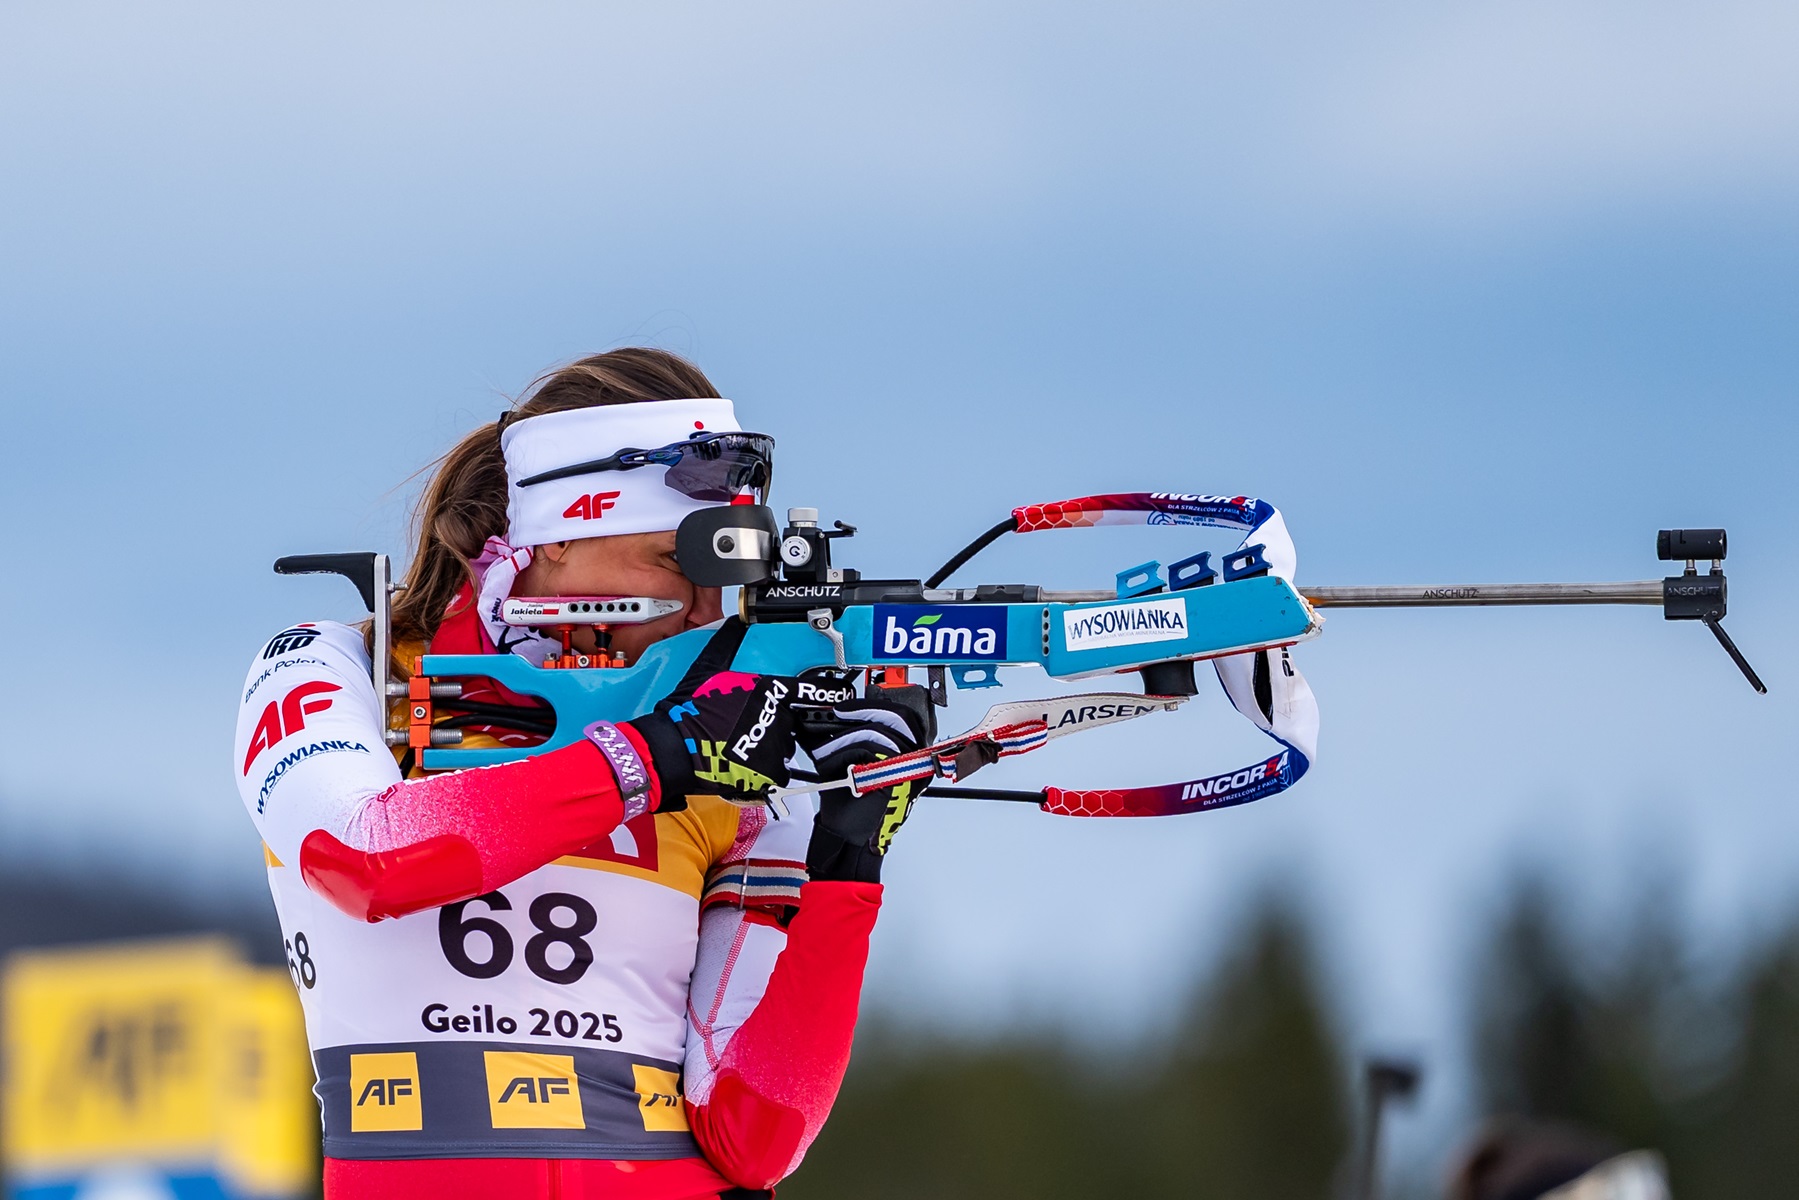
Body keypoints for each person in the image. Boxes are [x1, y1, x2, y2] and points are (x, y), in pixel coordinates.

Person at [234, 349, 934, 1199]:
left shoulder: (734, 747)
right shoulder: (339, 664)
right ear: (557, 537)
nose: (705, 612)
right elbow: (362, 857)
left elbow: (755, 1136)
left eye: (724, 578)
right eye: (674, 564)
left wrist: (846, 863)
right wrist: (651, 757)